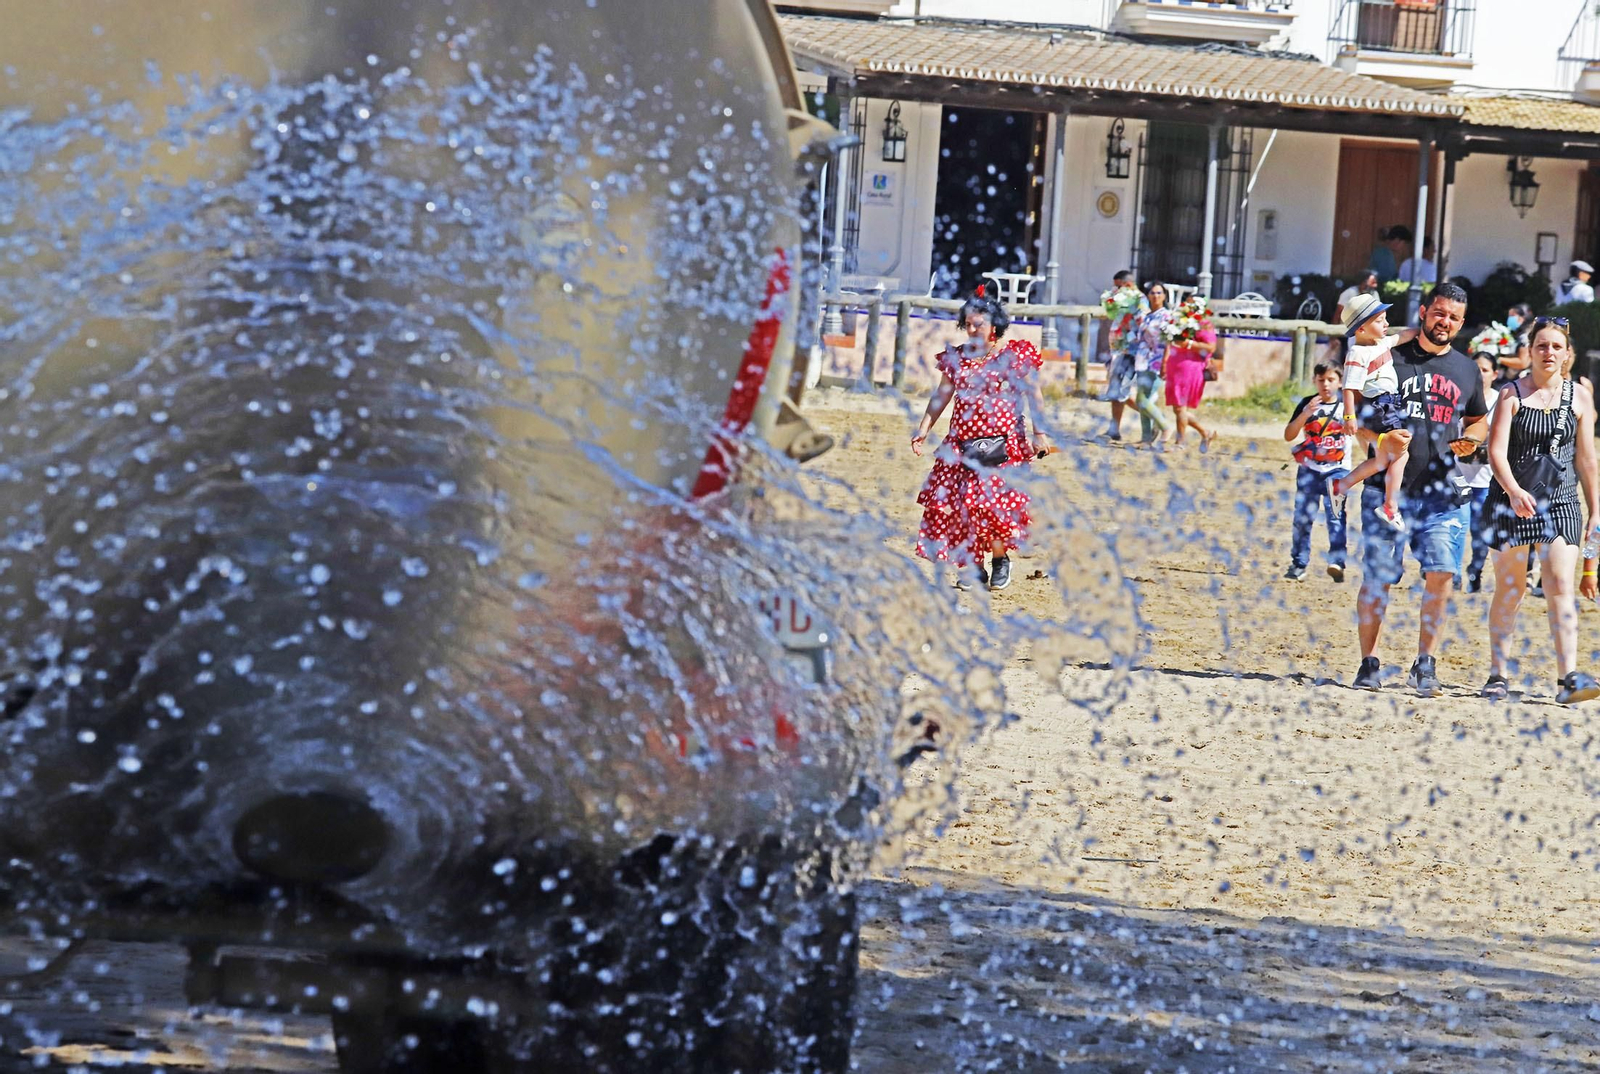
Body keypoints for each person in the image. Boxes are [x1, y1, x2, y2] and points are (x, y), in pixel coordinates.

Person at [1349, 282, 1489, 697]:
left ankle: (1424, 663)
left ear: (1461, 324)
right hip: (1386, 491)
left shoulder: (1466, 370)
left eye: (1454, 318)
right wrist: (1375, 440)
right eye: (1439, 313)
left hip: (1443, 494)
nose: (1445, 322)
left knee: (1441, 575)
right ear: (1425, 311)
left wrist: (1474, 440)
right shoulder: (1386, 355)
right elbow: (1357, 411)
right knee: (1378, 577)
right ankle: (1368, 662)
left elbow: (1478, 418)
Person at [1480, 317, 1600, 703]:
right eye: (1542, 346)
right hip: (1511, 501)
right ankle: (1498, 673)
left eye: (1556, 347)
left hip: (1561, 502)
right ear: (1529, 351)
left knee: (1561, 585)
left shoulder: (1579, 396)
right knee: (1511, 589)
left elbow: (1586, 460)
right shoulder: (1510, 394)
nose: (1549, 352)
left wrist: (1596, 510)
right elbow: (1495, 451)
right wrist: (1513, 491)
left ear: (1568, 354)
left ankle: (1569, 679)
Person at [912, 285, 1052, 592]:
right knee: (963, 506)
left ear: (995, 327)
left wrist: (1039, 433)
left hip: (1003, 446)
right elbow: (942, 395)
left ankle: (1000, 560)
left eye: (980, 324)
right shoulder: (956, 358)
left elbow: (1033, 393)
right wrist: (923, 428)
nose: (973, 329)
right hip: (961, 446)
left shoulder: (1013, 355)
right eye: (969, 324)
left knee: (992, 506)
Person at [1330, 293, 1417, 530]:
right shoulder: (1357, 354)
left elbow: (1402, 336)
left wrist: (1419, 329)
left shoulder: (1381, 343)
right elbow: (1349, 388)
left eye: (1385, 319)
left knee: (1380, 461)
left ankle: (1341, 486)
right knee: (1401, 453)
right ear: (1361, 329)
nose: (1386, 324)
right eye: (1379, 321)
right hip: (1381, 406)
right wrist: (1349, 417)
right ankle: (1390, 506)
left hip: (1389, 402)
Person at [1283, 361, 1351, 582]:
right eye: (1321, 380)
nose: (1326, 385)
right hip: (1309, 471)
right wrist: (1305, 413)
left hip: (1338, 471)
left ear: (1340, 382)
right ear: (1314, 381)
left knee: (1336, 516)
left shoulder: (1347, 407)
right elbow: (1289, 434)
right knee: (1302, 518)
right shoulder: (1306, 403)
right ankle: (1298, 563)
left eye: (1331, 380)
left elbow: (1361, 433)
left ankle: (1337, 562)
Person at [1454, 353, 1502, 593]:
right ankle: (1452, 572)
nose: (1480, 374)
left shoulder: (1501, 401)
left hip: (1486, 479)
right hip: (1458, 474)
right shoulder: (1459, 397)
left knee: (1480, 532)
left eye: (1485, 370)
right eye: (1477, 369)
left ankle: (1475, 570)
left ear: (1495, 374)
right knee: (1455, 527)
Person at [1099, 269, 1146, 441]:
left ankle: (1155, 420)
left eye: (1117, 286)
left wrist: (1130, 326)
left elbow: (1142, 324)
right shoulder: (1123, 300)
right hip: (1118, 350)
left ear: (1127, 284)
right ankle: (1114, 429)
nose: (1115, 289)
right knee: (1115, 391)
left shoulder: (1139, 300)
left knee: (1121, 392)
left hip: (1130, 352)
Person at [1164, 307, 1219, 452]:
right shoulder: (1177, 322)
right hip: (1175, 365)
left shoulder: (1204, 325)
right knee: (1178, 408)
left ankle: (1180, 442)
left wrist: (1189, 344)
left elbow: (1211, 347)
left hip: (1191, 368)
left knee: (1181, 406)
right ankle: (1205, 433)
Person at [1131, 281, 1174, 446]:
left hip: (1155, 362)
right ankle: (1146, 438)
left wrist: (1165, 362)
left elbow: (1169, 342)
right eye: (1152, 293)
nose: (1155, 296)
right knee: (1142, 400)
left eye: (1159, 293)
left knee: (1142, 399)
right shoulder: (1147, 316)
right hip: (1142, 361)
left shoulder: (1167, 316)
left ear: (1164, 296)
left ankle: (1164, 426)